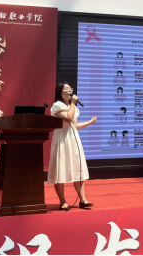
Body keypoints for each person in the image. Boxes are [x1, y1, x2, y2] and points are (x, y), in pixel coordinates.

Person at [49, 82, 97, 210]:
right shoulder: (57, 105)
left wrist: (89, 122)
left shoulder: (71, 106)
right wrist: (73, 103)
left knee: (77, 168)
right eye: (66, 89)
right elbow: (69, 118)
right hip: (61, 140)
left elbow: (74, 125)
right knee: (60, 169)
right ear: (60, 92)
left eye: (70, 88)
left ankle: (83, 199)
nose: (70, 90)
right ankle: (62, 201)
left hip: (73, 138)